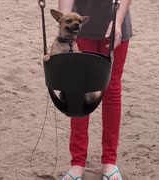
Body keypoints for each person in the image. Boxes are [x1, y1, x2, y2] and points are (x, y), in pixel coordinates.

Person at [58, 0, 133, 179]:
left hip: (115, 24)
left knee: (112, 89)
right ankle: (77, 162)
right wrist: (63, 24)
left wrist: (118, 20)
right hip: (80, 25)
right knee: (79, 90)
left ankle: (109, 161)